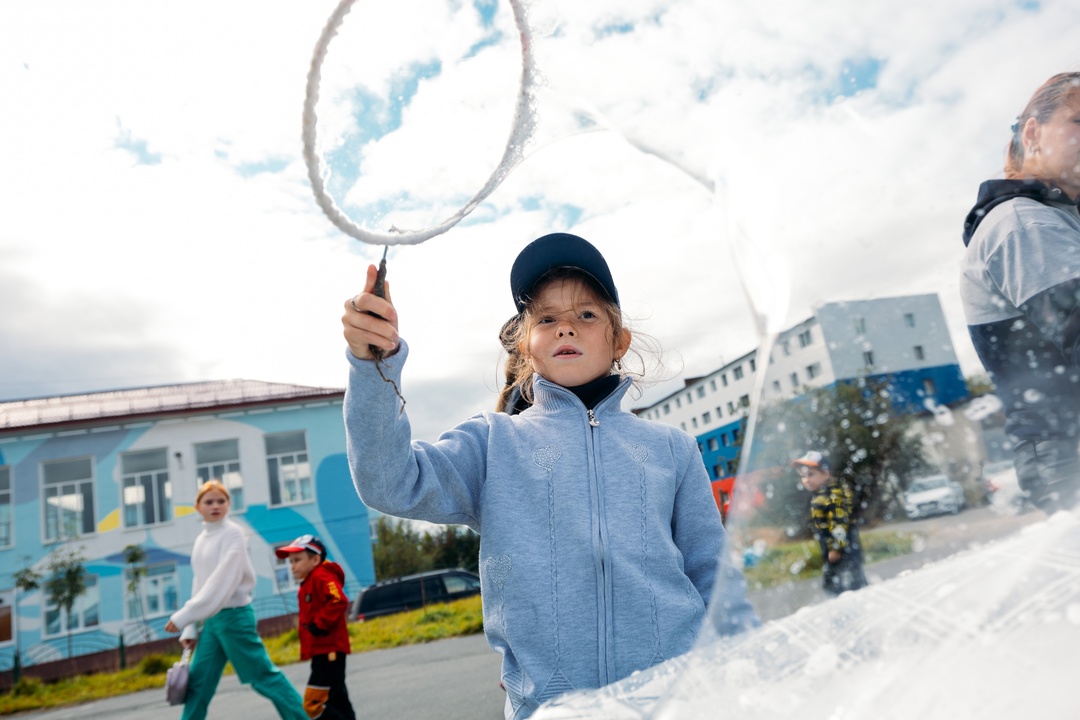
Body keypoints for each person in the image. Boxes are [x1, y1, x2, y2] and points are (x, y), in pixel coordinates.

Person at [341, 232, 759, 719]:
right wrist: (374, 368)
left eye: (586, 314)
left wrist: (747, 667)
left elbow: (712, 571)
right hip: (551, 708)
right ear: (526, 345)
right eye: (546, 318)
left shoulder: (672, 449)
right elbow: (389, 481)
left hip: (679, 701)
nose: (566, 329)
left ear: (618, 339)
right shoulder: (493, 444)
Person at [960, 72, 1080, 514]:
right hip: (1068, 461)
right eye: (1079, 121)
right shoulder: (1024, 223)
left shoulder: (1059, 220)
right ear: (1033, 133)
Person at [165, 481, 308, 720]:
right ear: (198, 507)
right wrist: (190, 627)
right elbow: (201, 583)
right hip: (212, 621)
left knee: (263, 677)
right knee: (197, 685)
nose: (215, 506)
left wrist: (185, 615)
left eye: (221, 501)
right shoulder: (202, 539)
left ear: (229, 504)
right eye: (209, 502)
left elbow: (223, 579)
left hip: (234, 617)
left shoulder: (233, 534)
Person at [275, 535, 356, 720]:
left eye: (297, 560)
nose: (292, 566)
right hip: (321, 651)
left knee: (313, 704)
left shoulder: (322, 576)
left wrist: (320, 623)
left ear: (315, 559)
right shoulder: (309, 581)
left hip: (330, 651)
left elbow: (338, 599)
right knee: (338, 701)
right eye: (290, 562)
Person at [792, 451, 867, 596]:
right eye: (803, 476)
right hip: (834, 550)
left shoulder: (835, 493)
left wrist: (835, 548)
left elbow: (839, 522)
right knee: (836, 584)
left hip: (845, 551)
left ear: (825, 473)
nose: (806, 480)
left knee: (848, 586)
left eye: (811, 474)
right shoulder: (821, 493)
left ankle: (855, 610)